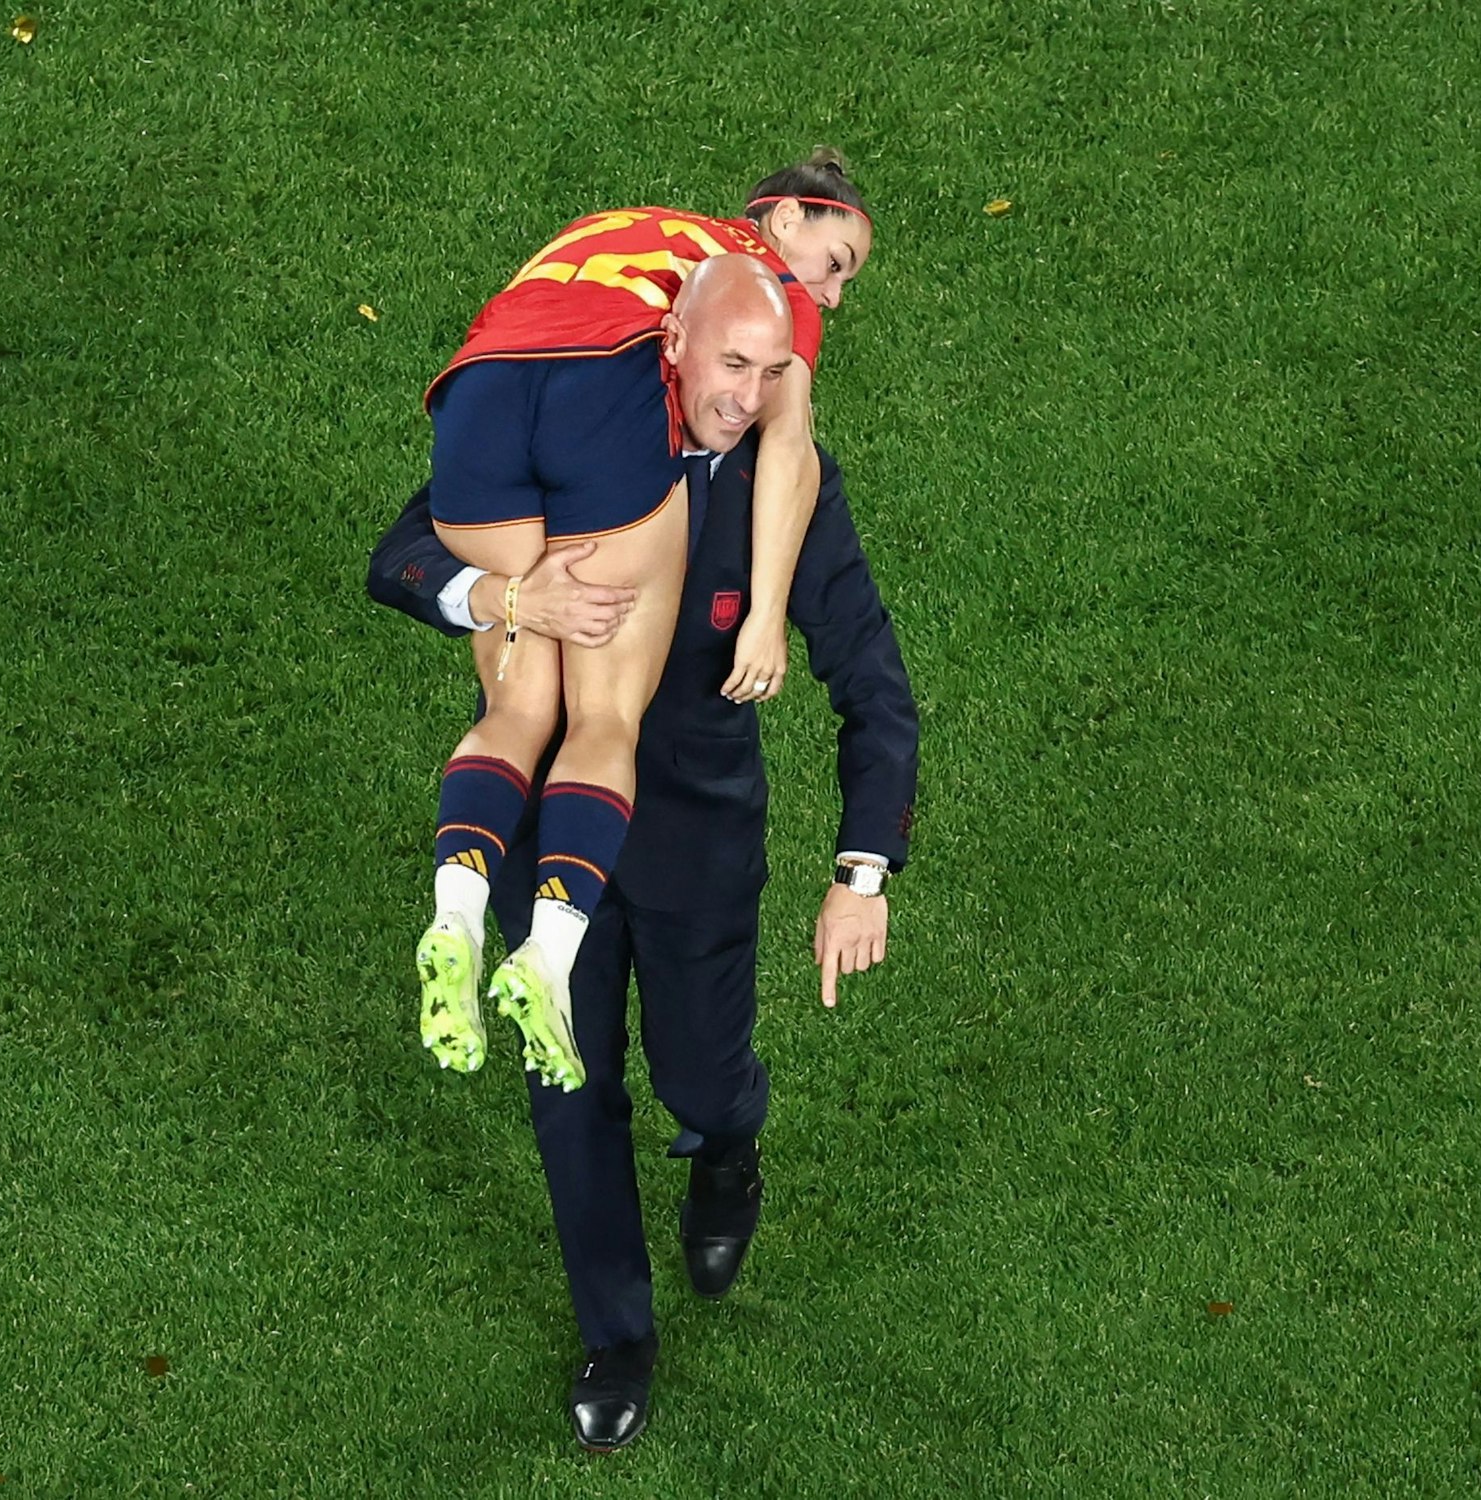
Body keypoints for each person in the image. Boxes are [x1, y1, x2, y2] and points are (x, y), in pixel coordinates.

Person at [369, 428, 918, 1451]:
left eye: (765, 372)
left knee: (701, 1078)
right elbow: (402, 557)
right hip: (550, 832)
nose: (743, 393)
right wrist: (508, 600)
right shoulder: (559, 433)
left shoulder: (776, 477)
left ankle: (725, 1147)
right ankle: (615, 1337)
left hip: (694, 848)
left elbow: (870, 681)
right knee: (566, 1087)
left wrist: (860, 874)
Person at [415, 154, 875, 1095]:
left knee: (521, 691)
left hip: (477, 388)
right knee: (601, 719)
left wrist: (511, 597)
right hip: (602, 400)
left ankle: (453, 915)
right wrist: (767, 614)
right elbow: (788, 452)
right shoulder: (759, 292)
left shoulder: (637, 229)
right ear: (785, 218)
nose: (832, 292)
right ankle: (545, 959)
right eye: (837, 260)